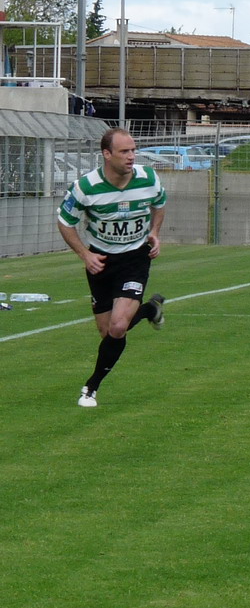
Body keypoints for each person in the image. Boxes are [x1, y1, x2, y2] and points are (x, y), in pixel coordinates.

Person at [57, 128, 167, 408]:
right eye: (124, 151)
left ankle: (91, 387)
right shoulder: (85, 187)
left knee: (118, 327)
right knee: (108, 332)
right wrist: (84, 254)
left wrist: (154, 232)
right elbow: (65, 222)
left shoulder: (149, 178)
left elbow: (160, 204)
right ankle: (151, 310)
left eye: (133, 150)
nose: (132, 156)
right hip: (101, 262)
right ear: (106, 154)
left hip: (135, 258)